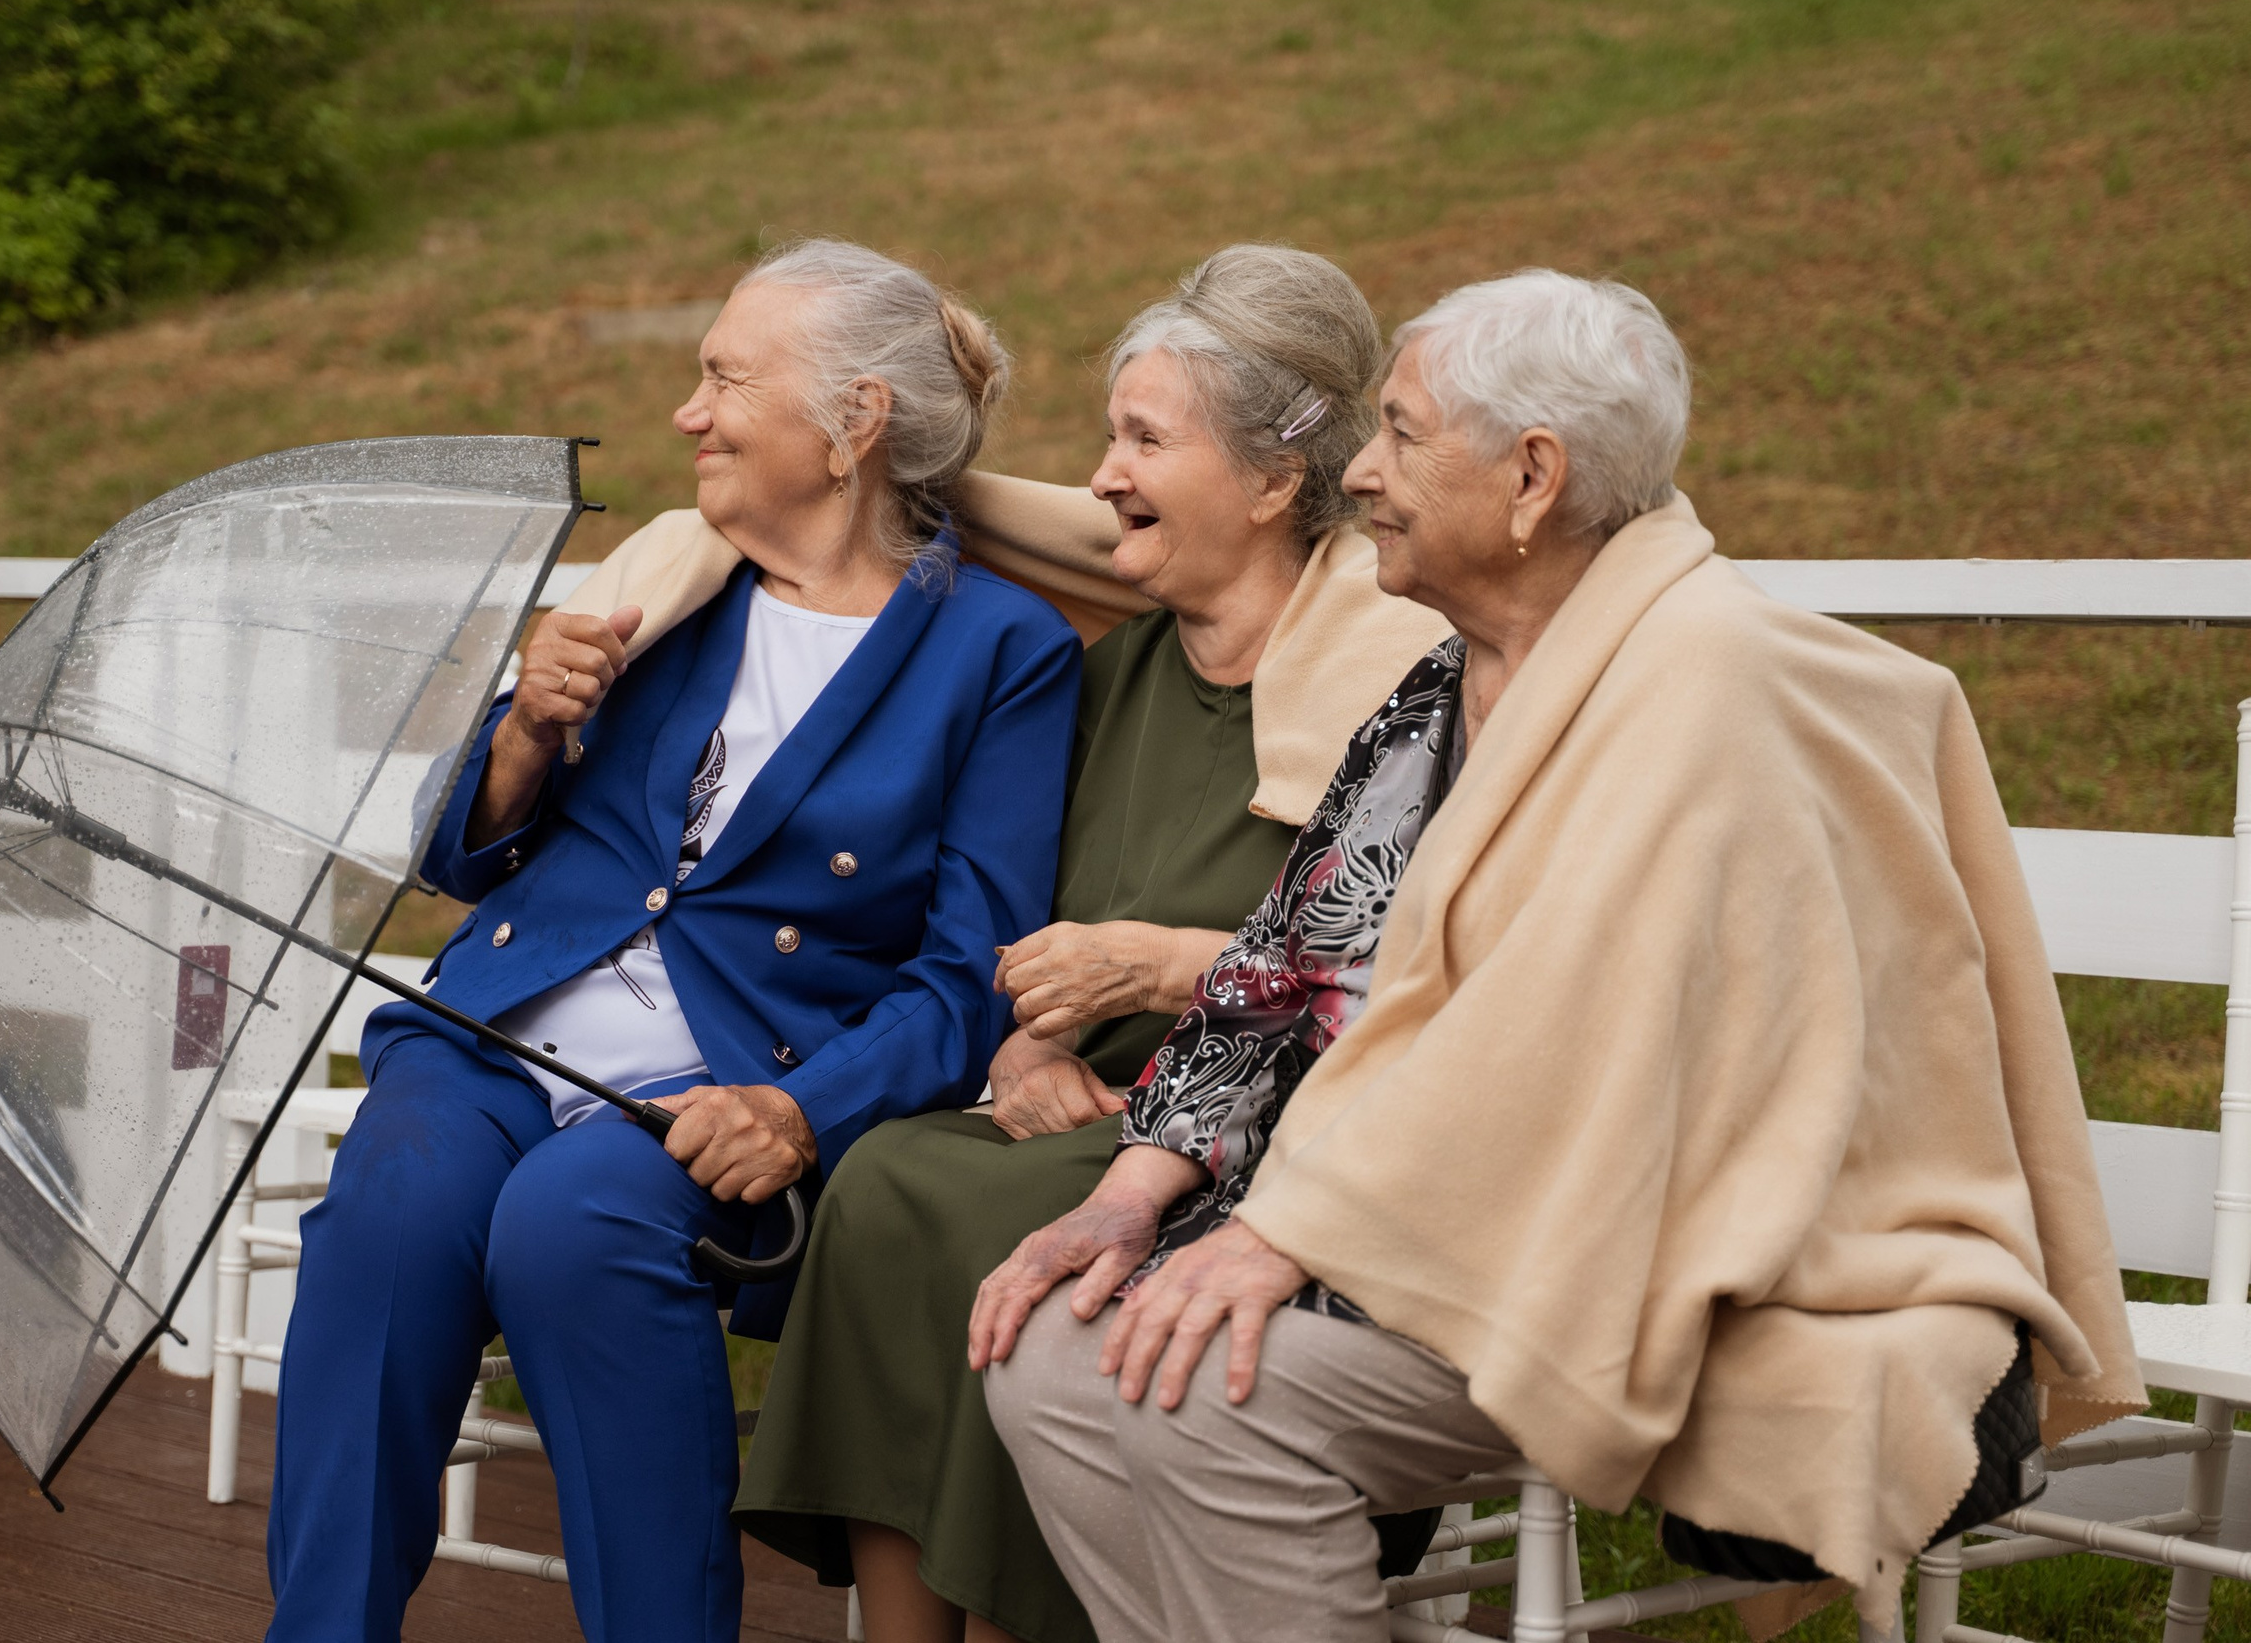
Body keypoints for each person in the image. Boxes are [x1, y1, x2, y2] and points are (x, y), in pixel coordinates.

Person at [973, 269, 2146, 1643]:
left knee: (1194, 1398)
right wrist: (1136, 1190)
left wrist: (1284, 1237)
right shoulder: (1438, 685)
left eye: (1402, 434)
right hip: (1394, 1228)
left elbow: (1561, 1035)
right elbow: (1284, 957)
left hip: (1594, 1256)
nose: (1359, 471)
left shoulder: (1702, 685)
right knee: (1049, 1359)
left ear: (1533, 477)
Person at [265, 240, 1083, 1643]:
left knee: (575, 1226)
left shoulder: (1000, 650)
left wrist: (797, 1109)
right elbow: (463, 855)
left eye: (724, 380)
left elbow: (967, 978)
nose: (687, 415)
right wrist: (525, 729)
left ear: (854, 424)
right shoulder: (670, 584)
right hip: (495, 1037)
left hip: (725, 1082)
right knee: (392, 1210)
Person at [733, 245, 1451, 1643]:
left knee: (992, 1227)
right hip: (1079, 1108)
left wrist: (1163, 972)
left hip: (1273, 1142)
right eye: (1108, 437)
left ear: (1269, 483)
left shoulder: (1392, 694)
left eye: (1143, 440)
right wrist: (1024, 1044)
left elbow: (1410, 970)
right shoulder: (1112, 671)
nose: (1105, 475)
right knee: (886, 1179)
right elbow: (1019, 932)